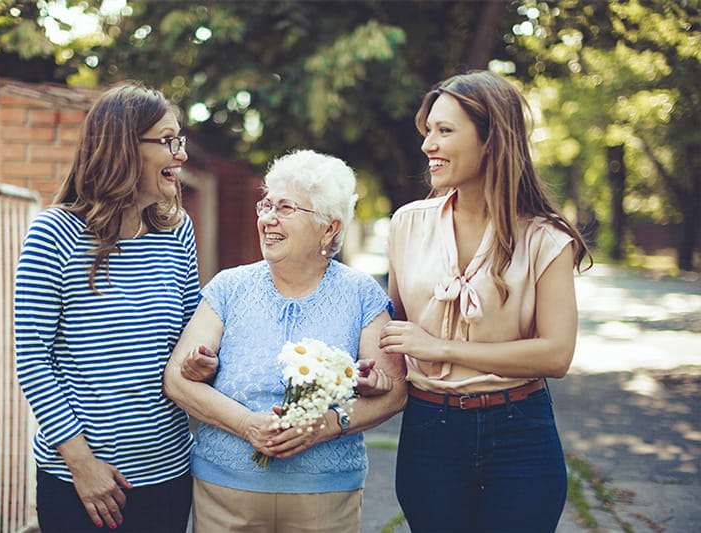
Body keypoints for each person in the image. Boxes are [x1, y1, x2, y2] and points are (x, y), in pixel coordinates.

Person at [380, 70, 592, 532]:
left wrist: (443, 348)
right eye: (428, 130)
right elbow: (395, 329)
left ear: (492, 139)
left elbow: (556, 354)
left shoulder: (545, 238)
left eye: (444, 131)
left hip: (521, 433)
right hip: (429, 431)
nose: (427, 145)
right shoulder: (406, 224)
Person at [162, 149, 407, 533]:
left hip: (325, 494)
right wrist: (246, 425)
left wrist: (326, 424)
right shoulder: (229, 287)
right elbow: (176, 378)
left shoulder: (362, 294)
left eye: (287, 208)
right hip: (225, 490)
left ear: (329, 228)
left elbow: (395, 392)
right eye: (266, 205)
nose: (268, 219)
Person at [14, 82, 198, 533]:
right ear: (122, 148)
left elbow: (192, 344)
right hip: (81, 482)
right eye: (168, 141)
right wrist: (82, 465)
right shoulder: (53, 234)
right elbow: (34, 359)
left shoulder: (178, 232)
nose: (181, 155)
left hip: (169, 474)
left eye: (181, 140)